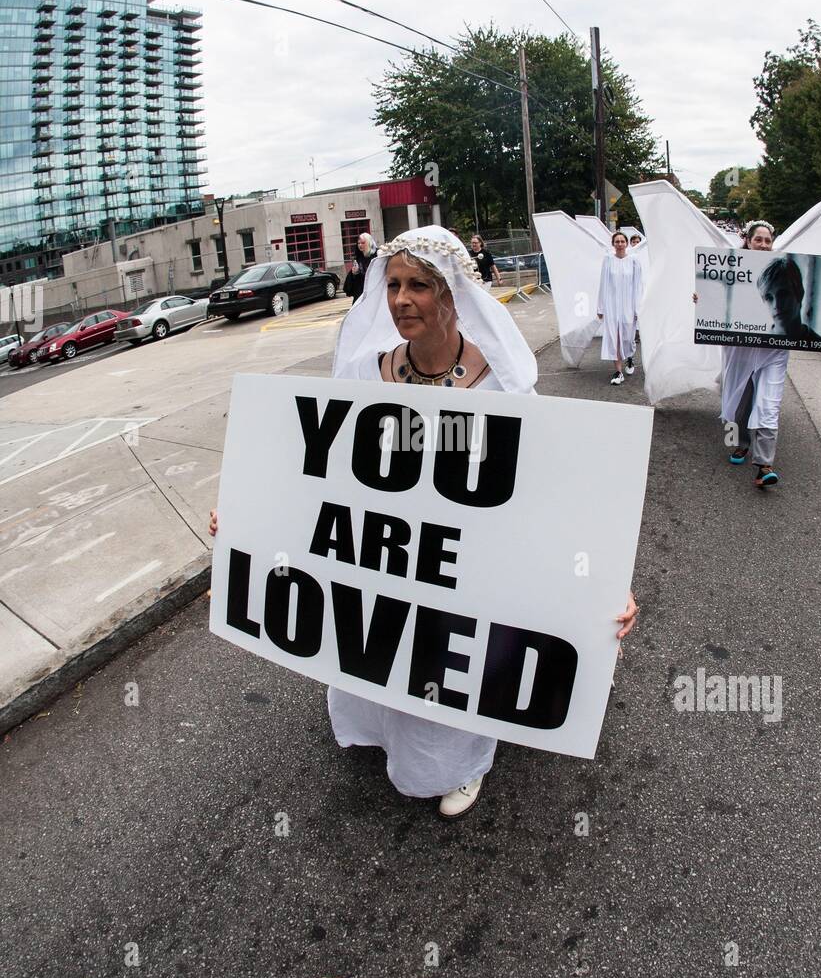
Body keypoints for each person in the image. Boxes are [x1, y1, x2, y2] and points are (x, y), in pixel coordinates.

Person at [209, 227, 638, 819]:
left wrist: (603, 576)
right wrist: (247, 513)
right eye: (392, 285)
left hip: (470, 570)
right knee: (388, 644)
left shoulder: (504, 383)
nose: (401, 300)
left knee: (450, 664)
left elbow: (553, 494)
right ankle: (379, 730)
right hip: (390, 561)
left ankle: (462, 764)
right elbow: (316, 476)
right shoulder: (367, 374)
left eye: (418, 286)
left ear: (451, 294)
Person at [719, 220, 787, 488]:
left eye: (767, 241)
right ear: (747, 241)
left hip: (773, 351)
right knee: (741, 400)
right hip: (742, 348)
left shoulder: (782, 269)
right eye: (758, 239)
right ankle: (740, 444)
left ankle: (764, 465)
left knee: (769, 404)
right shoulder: (730, 268)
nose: (763, 244)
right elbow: (716, 300)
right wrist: (702, 300)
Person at [597, 231, 643, 385]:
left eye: (622, 241)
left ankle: (629, 358)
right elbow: (603, 284)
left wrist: (638, 308)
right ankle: (618, 372)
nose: (620, 244)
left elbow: (638, 286)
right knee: (614, 338)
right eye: (617, 241)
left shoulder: (634, 261)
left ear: (627, 243)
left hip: (629, 306)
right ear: (613, 244)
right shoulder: (608, 260)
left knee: (627, 338)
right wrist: (601, 307)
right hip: (612, 306)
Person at [756, 255, 821, 343]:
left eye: (783, 294)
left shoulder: (818, 343)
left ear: (799, 293)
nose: (777, 305)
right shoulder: (759, 342)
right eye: (769, 298)